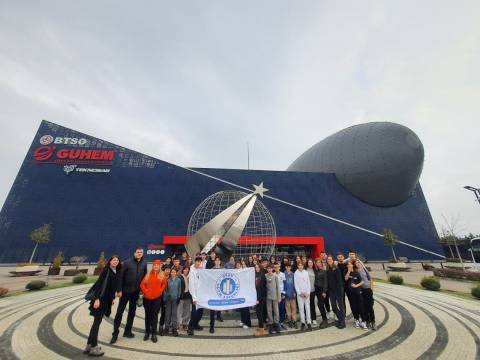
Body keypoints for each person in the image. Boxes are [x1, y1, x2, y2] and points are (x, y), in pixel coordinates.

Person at [84, 255, 121, 357]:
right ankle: (94, 348)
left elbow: (111, 288)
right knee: (96, 323)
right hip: (100, 300)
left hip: (106, 300)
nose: (116, 262)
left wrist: (112, 299)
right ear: (110, 261)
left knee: (96, 322)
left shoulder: (115, 271)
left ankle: (89, 345)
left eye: (117, 260)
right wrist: (96, 299)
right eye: (114, 260)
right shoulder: (106, 271)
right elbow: (99, 285)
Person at [111, 247, 147, 344]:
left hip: (135, 293)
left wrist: (142, 291)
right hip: (125, 292)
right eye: (138, 252)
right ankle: (115, 333)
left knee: (132, 313)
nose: (139, 253)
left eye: (141, 252)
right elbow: (120, 277)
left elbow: (144, 278)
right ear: (134, 253)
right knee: (119, 313)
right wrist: (119, 290)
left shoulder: (144, 263)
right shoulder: (127, 263)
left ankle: (127, 331)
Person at [140, 259, 167, 342]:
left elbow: (164, 284)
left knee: (154, 316)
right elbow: (142, 284)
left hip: (157, 298)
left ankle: (154, 334)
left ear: (159, 267)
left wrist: (160, 290)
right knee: (147, 315)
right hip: (147, 298)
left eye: (157, 265)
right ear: (153, 266)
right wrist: (145, 291)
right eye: (154, 265)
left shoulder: (162, 275)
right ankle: (147, 332)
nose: (156, 267)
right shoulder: (148, 275)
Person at [344, 260, 368, 330]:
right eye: (348, 265)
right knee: (354, 306)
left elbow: (362, 281)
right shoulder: (346, 272)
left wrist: (356, 285)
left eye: (350, 264)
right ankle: (356, 320)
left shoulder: (356, 272)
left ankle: (363, 321)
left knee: (360, 306)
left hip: (357, 292)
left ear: (352, 265)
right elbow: (345, 279)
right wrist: (348, 271)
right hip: (350, 293)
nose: (349, 265)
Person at [356, 259, 376, 330]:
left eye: (358, 262)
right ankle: (367, 321)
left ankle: (373, 321)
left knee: (370, 306)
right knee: (364, 306)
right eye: (356, 263)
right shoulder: (356, 271)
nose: (357, 264)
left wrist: (371, 288)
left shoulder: (364, 270)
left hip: (368, 289)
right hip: (361, 290)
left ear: (360, 263)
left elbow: (370, 278)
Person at [326, 255, 345, 329]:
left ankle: (343, 322)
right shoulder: (328, 269)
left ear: (332, 260)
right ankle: (340, 319)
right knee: (333, 306)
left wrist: (340, 290)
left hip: (338, 290)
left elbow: (339, 281)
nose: (329, 260)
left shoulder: (336, 268)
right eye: (328, 259)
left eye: (330, 259)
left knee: (341, 306)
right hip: (331, 291)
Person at [187, 256, 204, 336]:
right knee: (194, 312)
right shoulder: (192, 271)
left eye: (200, 262)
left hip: (201, 294)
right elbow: (191, 285)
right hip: (194, 295)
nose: (198, 263)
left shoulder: (201, 269)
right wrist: (194, 297)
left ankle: (196, 324)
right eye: (197, 261)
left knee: (200, 311)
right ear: (195, 262)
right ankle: (190, 328)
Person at [294, 261, 312, 331]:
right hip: (300, 295)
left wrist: (308, 293)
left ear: (303, 266)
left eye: (301, 265)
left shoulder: (306, 272)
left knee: (307, 308)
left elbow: (308, 283)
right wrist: (299, 293)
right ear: (297, 266)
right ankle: (303, 322)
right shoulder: (296, 273)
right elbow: (296, 284)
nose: (300, 266)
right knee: (301, 309)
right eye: (299, 265)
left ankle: (309, 322)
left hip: (307, 294)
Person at [164, 268, 182, 336]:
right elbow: (165, 290)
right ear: (170, 273)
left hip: (175, 300)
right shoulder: (168, 280)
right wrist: (165, 299)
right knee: (168, 314)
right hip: (168, 300)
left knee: (174, 314)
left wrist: (178, 297)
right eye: (172, 272)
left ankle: (174, 329)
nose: (173, 273)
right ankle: (166, 328)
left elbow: (179, 290)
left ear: (176, 273)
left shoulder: (178, 280)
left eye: (174, 272)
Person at [265, 264, 281, 334]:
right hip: (268, 296)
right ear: (267, 269)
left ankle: (276, 323)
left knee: (276, 310)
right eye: (268, 268)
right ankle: (271, 323)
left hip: (275, 296)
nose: (269, 270)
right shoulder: (265, 276)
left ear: (272, 269)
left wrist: (279, 297)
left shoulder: (275, 276)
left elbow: (278, 287)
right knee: (269, 310)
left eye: (270, 268)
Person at [209, 256, 224, 333]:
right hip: (213, 291)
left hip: (220, 291)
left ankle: (218, 315)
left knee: (220, 305)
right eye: (216, 260)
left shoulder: (223, 269)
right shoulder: (212, 270)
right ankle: (211, 326)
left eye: (219, 260)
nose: (217, 261)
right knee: (212, 308)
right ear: (214, 262)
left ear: (220, 262)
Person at [314, 258, 329, 329]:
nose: (318, 263)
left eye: (319, 262)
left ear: (321, 263)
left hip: (321, 290)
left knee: (321, 305)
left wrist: (324, 291)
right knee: (319, 304)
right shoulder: (316, 271)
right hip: (316, 290)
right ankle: (324, 318)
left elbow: (325, 282)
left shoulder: (324, 271)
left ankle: (325, 320)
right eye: (317, 262)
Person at [254, 263, 267, 337]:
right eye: (256, 267)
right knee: (258, 313)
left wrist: (258, 299)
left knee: (259, 313)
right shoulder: (257, 275)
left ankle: (262, 330)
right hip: (257, 297)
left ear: (260, 267)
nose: (257, 268)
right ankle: (260, 327)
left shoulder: (262, 276)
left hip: (260, 298)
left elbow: (261, 289)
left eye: (258, 267)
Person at [283, 262, 297, 328]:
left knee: (293, 308)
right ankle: (289, 320)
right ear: (285, 267)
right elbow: (282, 285)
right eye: (287, 267)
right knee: (288, 308)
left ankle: (294, 320)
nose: (288, 268)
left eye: (289, 267)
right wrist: (284, 293)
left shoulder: (293, 274)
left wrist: (294, 292)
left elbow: (295, 284)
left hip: (292, 294)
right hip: (286, 295)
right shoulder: (283, 274)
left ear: (290, 267)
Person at [177, 265, 192, 331]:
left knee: (187, 311)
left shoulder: (190, 277)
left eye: (187, 269)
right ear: (183, 270)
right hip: (181, 296)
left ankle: (185, 324)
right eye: (185, 269)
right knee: (179, 311)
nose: (186, 270)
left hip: (188, 295)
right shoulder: (180, 277)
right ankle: (177, 324)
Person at [274, 262, 287, 330]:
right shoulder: (273, 275)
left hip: (282, 294)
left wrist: (284, 293)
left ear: (279, 267)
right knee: (277, 309)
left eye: (277, 267)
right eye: (275, 267)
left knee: (282, 308)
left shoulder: (283, 274)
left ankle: (282, 322)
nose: (276, 268)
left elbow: (285, 284)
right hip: (276, 294)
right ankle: (277, 322)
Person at [306, 259, 317, 325]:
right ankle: (308, 318)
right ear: (307, 263)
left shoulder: (315, 270)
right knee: (306, 305)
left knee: (312, 305)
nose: (310, 264)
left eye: (311, 262)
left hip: (313, 290)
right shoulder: (305, 270)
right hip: (306, 291)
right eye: (309, 262)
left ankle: (314, 318)